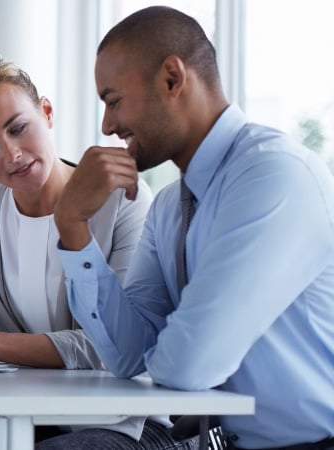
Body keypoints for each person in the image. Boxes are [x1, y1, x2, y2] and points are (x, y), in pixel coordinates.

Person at [0, 55, 193, 449]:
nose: (12, 155)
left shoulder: (122, 200)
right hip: (29, 417)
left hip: (125, 422)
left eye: (19, 128)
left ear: (46, 112)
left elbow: (107, 345)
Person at [54, 6, 334, 450]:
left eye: (113, 100)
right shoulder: (169, 206)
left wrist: (166, 349)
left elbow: (188, 365)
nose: (106, 125)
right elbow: (128, 355)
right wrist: (72, 224)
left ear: (171, 79)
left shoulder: (273, 176)